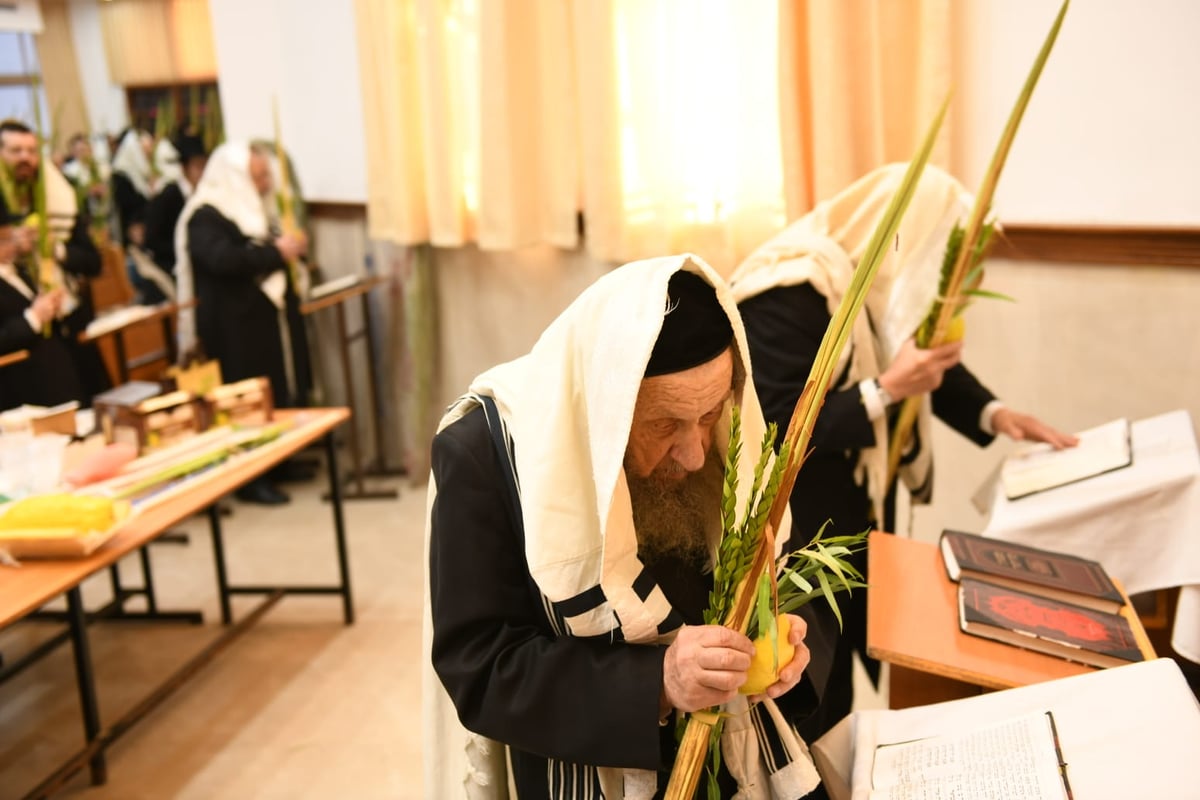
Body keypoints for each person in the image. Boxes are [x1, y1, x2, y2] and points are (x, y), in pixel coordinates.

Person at [426, 257, 839, 799]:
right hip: (589, 769)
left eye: (711, 414)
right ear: (606, 410)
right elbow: (481, 668)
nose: (694, 455)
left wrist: (786, 635)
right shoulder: (487, 452)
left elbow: (788, 561)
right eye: (664, 426)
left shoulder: (727, 430)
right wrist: (659, 683)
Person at [730, 163, 1078, 742]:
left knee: (836, 681)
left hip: (848, 517)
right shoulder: (788, 290)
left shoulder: (864, 284)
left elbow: (912, 359)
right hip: (796, 527)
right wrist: (885, 390)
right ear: (907, 234)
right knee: (801, 688)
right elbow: (772, 420)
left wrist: (996, 415)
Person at [175, 141, 313, 505]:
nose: (266, 184)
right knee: (246, 403)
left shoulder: (251, 210)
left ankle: (280, 461)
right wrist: (275, 252)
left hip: (262, 322)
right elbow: (222, 260)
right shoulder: (204, 215)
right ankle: (253, 476)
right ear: (235, 177)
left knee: (275, 392)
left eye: (267, 175)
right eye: (259, 176)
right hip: (233, 329)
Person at [0, 119, 109, 403]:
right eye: (15, 151)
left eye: (31, 150)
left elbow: (94, 263)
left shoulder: (57, 198)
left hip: (71, 322)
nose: (25, 158)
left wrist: (55, 249)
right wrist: (11, 247)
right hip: (25, 347)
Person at [0, 196, 87, 411]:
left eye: (11, 237)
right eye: (5, 240)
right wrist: (33, 318)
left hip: (56, 374)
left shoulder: (19, 268)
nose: (13, 245)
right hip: (24, 387)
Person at [140, 133, 208, 295]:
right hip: (172, 267)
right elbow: (152, 240)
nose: (202, 172)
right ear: (184, 168)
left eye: (204, 166)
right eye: (197, 166)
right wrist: (185, 251)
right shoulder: (168, 196)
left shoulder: (205, 194)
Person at [111, 127, 162, 304]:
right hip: (135, 237)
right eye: (144, 150)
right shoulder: (121, 174)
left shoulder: (141, 172)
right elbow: (128, 207)